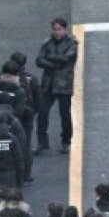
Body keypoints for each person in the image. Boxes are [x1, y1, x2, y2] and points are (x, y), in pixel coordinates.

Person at [34, 18, 77, 154]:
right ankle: (42, 142)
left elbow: (67, 59)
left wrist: (50, 57)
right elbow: (39, 60)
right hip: (49, 84)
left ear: (65, 30)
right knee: (42, 113)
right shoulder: (47, 43)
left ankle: (66, 141)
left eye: (59, 29)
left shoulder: (71, 43)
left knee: (65, 114)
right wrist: (54, 62)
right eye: (55, 29)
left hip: (64, 83)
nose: (57, 32)